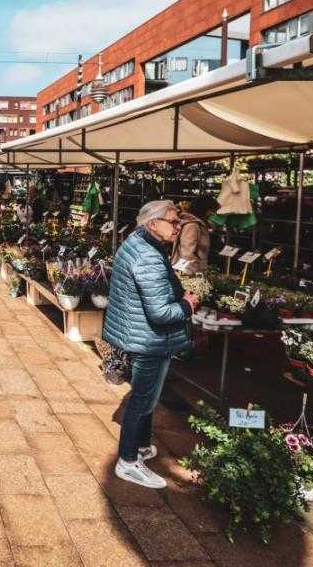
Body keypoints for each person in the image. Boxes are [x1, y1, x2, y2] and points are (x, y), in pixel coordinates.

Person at [103, 200, 200, 489]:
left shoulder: (137, 243)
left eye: (178, 221)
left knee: (143, 396)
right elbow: (160, 312)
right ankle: (128, 461)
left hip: (139, 334)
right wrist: (187, 305)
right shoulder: (147, 255)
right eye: (173, 221)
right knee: (143, 400)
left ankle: (141, 446)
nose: (178, 226)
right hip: (149, 339)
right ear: (152, 224)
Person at [171, 195, 217, 275]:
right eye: (211, 210)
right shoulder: (192, 225)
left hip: (194, 269)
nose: (213, 213)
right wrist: (191, 273)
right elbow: (187, 252)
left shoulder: (198, 224)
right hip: (190, 271)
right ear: (204, 209)